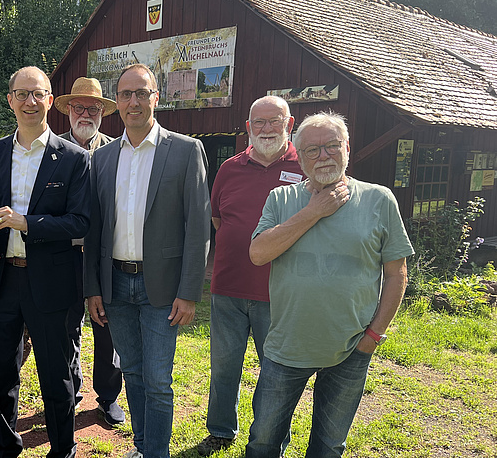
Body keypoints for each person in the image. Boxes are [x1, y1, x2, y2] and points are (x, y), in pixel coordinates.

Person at [245, 111, 413, 458]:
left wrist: (374, 336)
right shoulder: (282, 200)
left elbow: (396, 273)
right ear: (299, 156)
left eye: (331, 146)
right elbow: (258, 254)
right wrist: (314, 211)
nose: (323, 156)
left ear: (347, 148)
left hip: (351, 348)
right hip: (286, 346)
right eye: (312, 150)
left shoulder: (379, 200)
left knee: (329, 446)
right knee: (263, 441)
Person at [84, 63, 211, 458]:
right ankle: (142, 447)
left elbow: (198, 226)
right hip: (116, 284)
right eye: (126, 94)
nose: (134, 101)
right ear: (116, 103)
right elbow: (94, 229)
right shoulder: (102, 158)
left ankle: (155, 453)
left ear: (157, 98)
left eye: (142, 93)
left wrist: (189, 292)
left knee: (158, 379)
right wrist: (93, 289)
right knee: (133, 373)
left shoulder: (186, 150)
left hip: (163, 286)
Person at [0, 66, 89, 458]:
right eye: (22, 94)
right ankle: (6, 447)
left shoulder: (74, 158)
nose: (30, 102)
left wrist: (26, 222)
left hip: (52, 284)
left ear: (49, 100)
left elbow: (80, 222)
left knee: (55, 376)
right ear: (10, 100)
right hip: (2, 281)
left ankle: (63, 450)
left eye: (37, 94)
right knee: (3, 374)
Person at [197, 95, 301, 455]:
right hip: (227, 286)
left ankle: (268, 438)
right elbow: (217, 220)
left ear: (290, 124)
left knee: (275, 374)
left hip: (279, 291)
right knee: (224, 367)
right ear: (248, 128)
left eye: (275, 121)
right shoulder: (229, 167)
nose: (267, 129)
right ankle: (221, 429)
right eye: (259, 122)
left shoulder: (304, 166)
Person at [53, 76, 125, 426]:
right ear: (67, 110)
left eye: (93, 109)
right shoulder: (51, 150)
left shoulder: (115, 151)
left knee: (106, 328)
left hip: (104, 255)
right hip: (63, 254)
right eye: (78, 107)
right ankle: (70, 391)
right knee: (67, 326)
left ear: (102, 113)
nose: (85, 114)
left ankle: (108, 397)